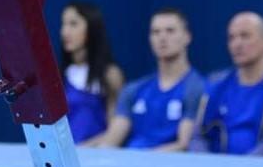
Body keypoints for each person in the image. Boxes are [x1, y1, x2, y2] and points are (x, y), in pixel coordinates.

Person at [190, 12, 263, 156]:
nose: (237, 44)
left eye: (245, 36)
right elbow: (197, 137)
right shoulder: (216, 84)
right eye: (231, 38)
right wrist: (206, 165)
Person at [88, 9, 205, 151]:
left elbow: (183, 145)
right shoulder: (134, 89)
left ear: (187, 37)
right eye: (156, 32)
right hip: (129, 166)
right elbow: (112, 138)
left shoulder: (198, 88)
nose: (162, 38)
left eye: (170, 31)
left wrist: (138, 163)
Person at [60, 1, 125, 144]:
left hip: (94, 157)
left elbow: (116, 129)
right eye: (63, 24)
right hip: (62, 159)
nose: (65, 32)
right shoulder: (58, 76)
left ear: (92, 28)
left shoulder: (110, 74)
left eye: (73, 24)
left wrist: (85, 149)